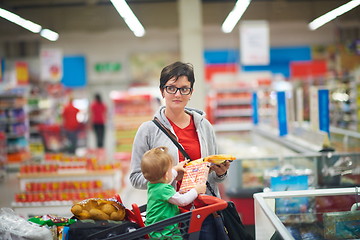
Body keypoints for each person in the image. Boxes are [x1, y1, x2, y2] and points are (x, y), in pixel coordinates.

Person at [129, 61, 231, 240]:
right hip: (169, 220)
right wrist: (170, 175)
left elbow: (212, 176)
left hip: (204, 213)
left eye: (184, 89)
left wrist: (220, 173)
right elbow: (136, 178)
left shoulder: (204, 126)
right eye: (171, 88)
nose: (178, 94)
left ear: (191, 92)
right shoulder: (147, 131)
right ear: (162, 91)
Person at [141, 146, 206, 239]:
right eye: (170, 169)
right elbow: (183, 201)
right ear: (166, 174)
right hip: (166, 233)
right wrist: (196, 190)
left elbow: (166, 178)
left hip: (155, 230)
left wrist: (176, 169)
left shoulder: (153, 185)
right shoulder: (164, 189)